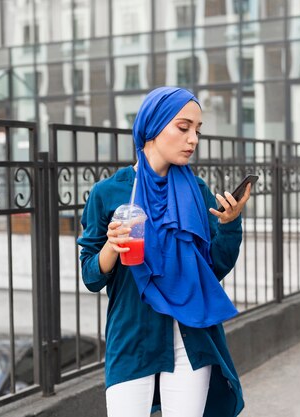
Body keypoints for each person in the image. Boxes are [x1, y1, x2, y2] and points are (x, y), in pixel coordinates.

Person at [77, 87, 251, 417]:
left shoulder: (197, 190)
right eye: (183, 128)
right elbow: (90, 275)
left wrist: (230, 224)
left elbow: (214, 268)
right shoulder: (109, 192)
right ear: (153, 126)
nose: (193, 139)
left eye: (197, 131)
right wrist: (111, 247)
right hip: (132, 339)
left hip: (191, 338)